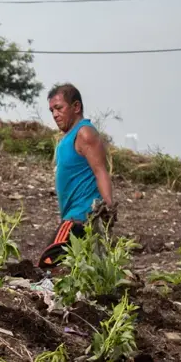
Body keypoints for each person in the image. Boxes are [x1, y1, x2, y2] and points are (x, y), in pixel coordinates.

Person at [37, 83, 116, 268]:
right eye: (51, 111)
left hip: (79, 218)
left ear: (76, 107)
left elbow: (100, 171)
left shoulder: (84, 133)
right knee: (83, 272)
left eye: (59, 108)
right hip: (76, 217)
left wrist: (108, 208)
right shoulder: (68, 138)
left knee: (48, 263)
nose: (55, 115)